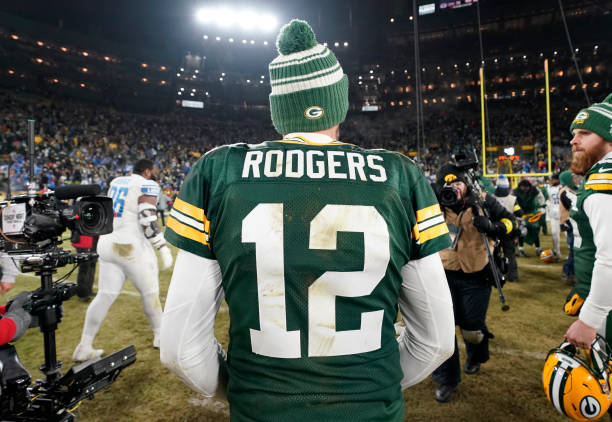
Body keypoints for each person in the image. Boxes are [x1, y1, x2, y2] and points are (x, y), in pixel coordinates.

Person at [160, 19, 455, 422]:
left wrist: (252, 387)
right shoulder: (399, 176)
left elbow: (179, 348)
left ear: (279, 110)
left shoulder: (220, 170)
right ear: (339, 103)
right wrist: (369, 388)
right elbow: (436, 342)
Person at [72, 159, 173, 362]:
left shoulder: (117, 181)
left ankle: (84, 345)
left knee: (105, 295)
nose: (156, 173)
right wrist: (161, 245)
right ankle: (161, 336)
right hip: (129, 245)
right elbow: (147, 217)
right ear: (146, 171)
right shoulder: (147, 184)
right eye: (154, 170)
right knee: (150, 292)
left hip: (107, 242)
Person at [432, 164, 515, 403]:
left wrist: (494, 227)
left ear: (467, 184)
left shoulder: (483, 201)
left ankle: (477, 354)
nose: (453, 188)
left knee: (471, 327)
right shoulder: (432, 203)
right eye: (448, 184)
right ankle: (447, 379)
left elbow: (511, 222)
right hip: (442, 273)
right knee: (443, 328)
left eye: (458, 183)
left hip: (476, 273)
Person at [563, 93, 612, 350]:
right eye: (574, 133)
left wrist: (591, 318)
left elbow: (611, 257)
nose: (573, 140)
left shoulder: (605, 175)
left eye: (584, 133)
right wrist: (585, 287)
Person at [494, 174, 522, 281]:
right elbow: (519, 213)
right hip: (509, 231)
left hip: (495, 230)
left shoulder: (491, 197)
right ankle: (512, 276)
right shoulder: (513, 199)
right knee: (510, 255)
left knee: (494, 254)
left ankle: (496, 275)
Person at [559, 170, 581, 285]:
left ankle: (569, 272)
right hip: (570, 224)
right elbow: (574, 206)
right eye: (573, 177)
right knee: (574, 249)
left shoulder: (572, 190)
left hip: (573, 223)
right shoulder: (565, 191)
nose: (575, 179)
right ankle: (568, 273)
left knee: (574, 249)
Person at [514, 179, 545, 257]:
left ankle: (538, 248)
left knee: (535, 230)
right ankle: (521, 249)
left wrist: (541, 206)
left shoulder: (535, 190)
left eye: (526, 187)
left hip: (532, 214)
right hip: (520, 214)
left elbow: (541, 198)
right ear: (520, 187)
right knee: (521, 232)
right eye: (523, 187)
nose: (525, 189)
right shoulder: (515, 192)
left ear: (529, 187)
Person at [546, 173, 562, 259]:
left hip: (563, 214)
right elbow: (547, 200)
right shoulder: (549, 189)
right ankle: (557, 251)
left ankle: (571, 253)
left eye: (553, 179)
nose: (551, 181)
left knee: (569, 235)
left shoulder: (563, 187)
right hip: (553, 214)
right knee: (554, 234)